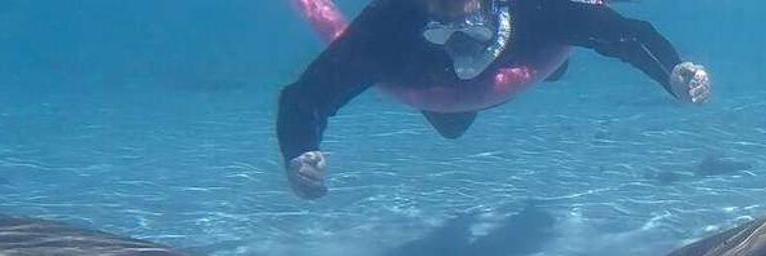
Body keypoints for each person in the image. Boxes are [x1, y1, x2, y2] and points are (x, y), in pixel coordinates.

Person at [278, 0, 712, 199]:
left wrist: (673, 71)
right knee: (451, 125)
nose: (458, 18)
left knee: (558, 57)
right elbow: (307, 96)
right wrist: (299, 153)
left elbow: (624, 35)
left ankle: (554, 66)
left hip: (529, 56)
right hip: (441, 95)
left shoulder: (535, 8)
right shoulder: (389, 27)